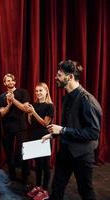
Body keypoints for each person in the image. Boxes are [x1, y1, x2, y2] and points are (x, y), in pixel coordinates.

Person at [43, 60, 102, 200]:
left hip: (82, 155)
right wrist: (53, 134)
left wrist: (62, 130)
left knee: (86, 192)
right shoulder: (67, 97)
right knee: (56, 190)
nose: (56, 77)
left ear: (69, 77)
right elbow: (70, 125)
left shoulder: (87, 100)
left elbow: (93, 133)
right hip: (65, 151)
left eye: (59, 75)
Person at [0, 73, 30, 185]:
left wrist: (14, 100)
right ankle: (12, 176)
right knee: (9, 152)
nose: (10, 82)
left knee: (24, 152)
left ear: (15, 82)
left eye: (12, 80)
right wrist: (9, 104)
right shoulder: (2, 96)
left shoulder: (22, 92)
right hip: (8, 128)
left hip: (21, 127)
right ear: (4, 83)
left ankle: (25, 176)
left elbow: (26, 109)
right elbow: (1, 113)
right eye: (7, 80)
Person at [25, 82, 54, 200]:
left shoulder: (50, 106)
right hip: (34, 136)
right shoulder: (34, 104)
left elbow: (45, 123)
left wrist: (34, 112)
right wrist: (29, 114)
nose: (38, 93)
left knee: (45, 165)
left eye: (40, 90)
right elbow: (31, 123)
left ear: (46, 91)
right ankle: (38, 187)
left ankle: (45, 190)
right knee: (37, 165)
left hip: (44, 138)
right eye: (36, 91)